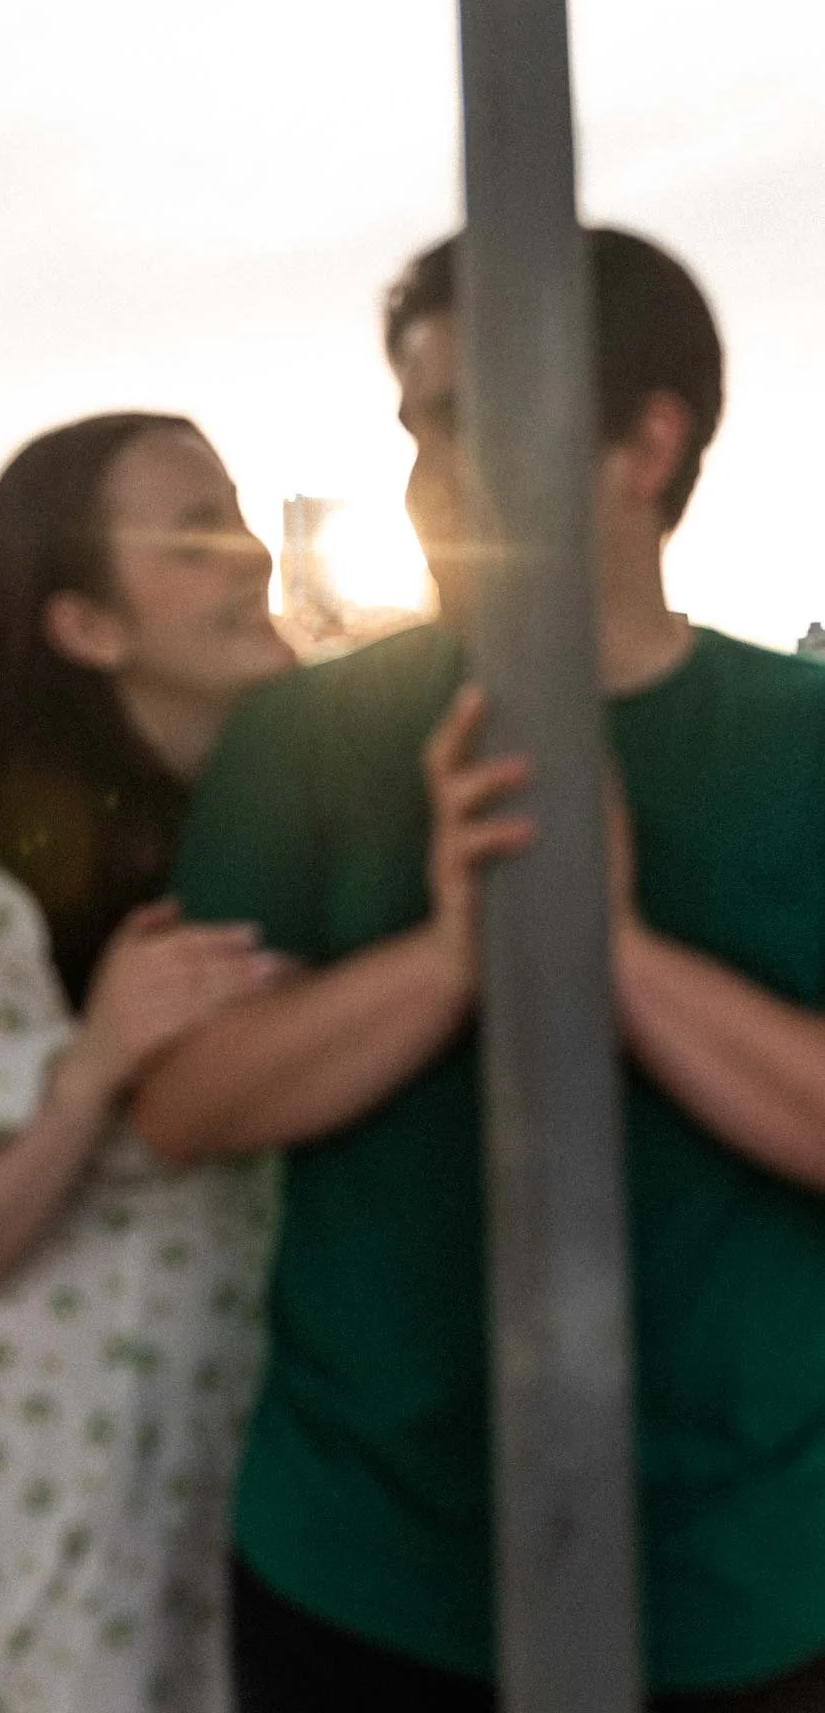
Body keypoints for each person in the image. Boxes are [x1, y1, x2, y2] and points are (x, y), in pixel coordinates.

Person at [134, 230, 825, 1713]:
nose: (428, 471)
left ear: (650, 441)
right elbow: (187, 1103)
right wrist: (453, 953)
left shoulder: (808, 745)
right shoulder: (303, 741)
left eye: (469, 416)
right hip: (358, 1575)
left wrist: (614, 955)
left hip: (744, 1587)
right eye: (413, 425)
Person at [0, 409, 296, 1713]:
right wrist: (92, 1069)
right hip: (51, 1526)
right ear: (86, 625)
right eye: (195, 534)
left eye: (238, 515)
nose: (251, 555)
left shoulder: (296, 859)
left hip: (272, 1512)